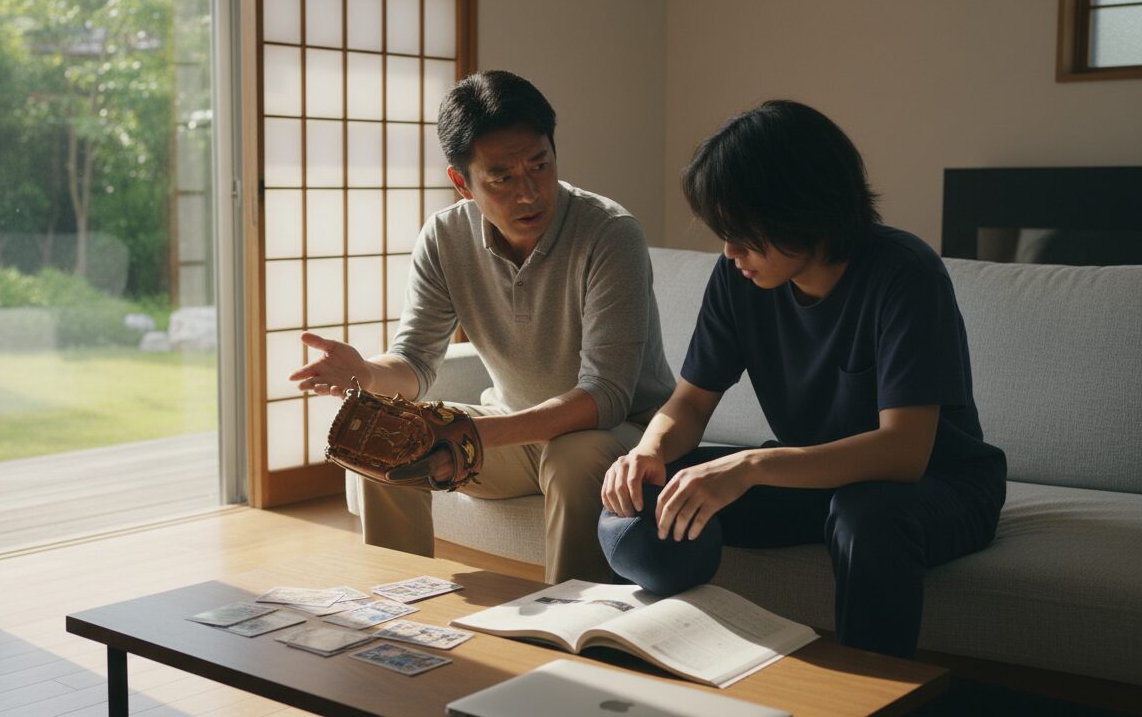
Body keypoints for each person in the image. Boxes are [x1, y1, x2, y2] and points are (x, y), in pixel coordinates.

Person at [597, 100, 1006, 658]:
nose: (730, 250)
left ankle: (870, 695)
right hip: (814, 475)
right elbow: (690, 402)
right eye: (724, 231)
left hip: (938, 484)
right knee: (649, 501)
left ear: (803, 209)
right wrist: (649, 451)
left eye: (743, 231)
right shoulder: (738, 278)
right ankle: (670, 668)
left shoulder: (905, 275)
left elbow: (905, 451)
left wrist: (752, 466)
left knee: (867, 517)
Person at [290, 70, 675, 584]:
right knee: (386, 435)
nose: (529, 192)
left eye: (540, 165)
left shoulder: (610, 234)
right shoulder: (446, 237)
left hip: (619, 434)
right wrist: (367, 372)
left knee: (571, 455)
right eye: (502, 178)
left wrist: (472, 434)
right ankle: (396, 606)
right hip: (515, 431)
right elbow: (416, 361)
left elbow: (606, 394)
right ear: (461, 182)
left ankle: (568, 627)